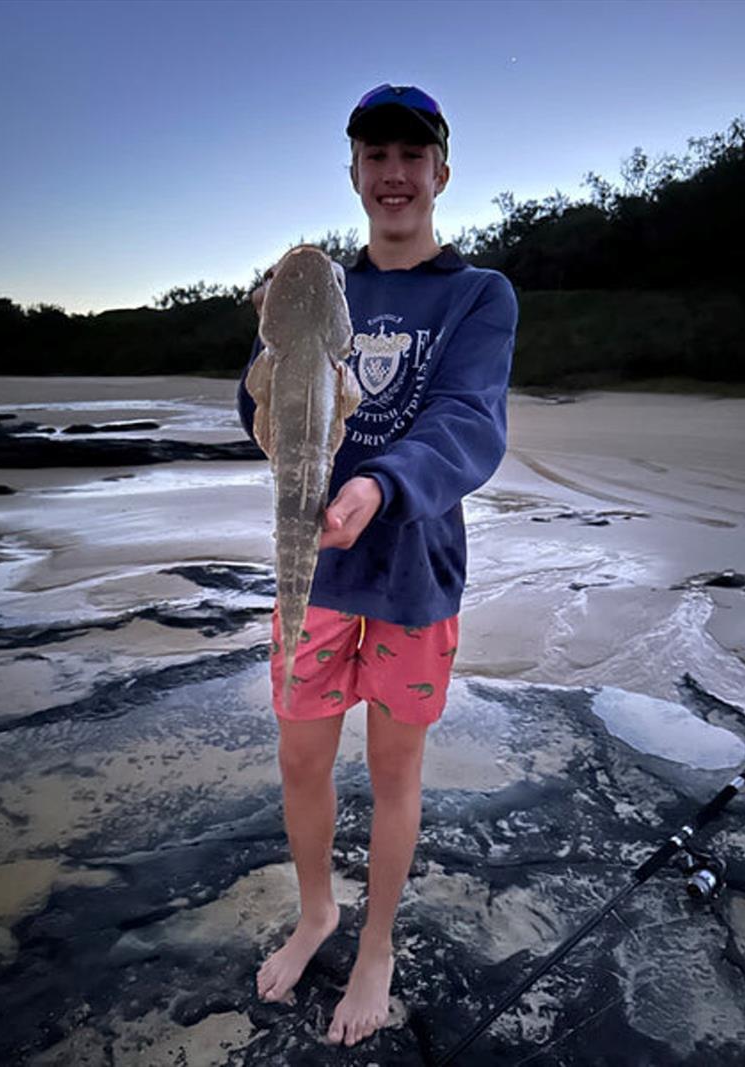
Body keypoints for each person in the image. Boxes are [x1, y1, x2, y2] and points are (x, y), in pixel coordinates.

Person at [237, 83, 518, 1048]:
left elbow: (469, 423)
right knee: (299, 753)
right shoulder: (319, 284)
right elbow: (264, 420)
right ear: (354, 172)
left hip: (412, 575)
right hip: (312, 569)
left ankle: (377, 942)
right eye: (375, 156)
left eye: (412, 155)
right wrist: (259, 364)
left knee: (395, 771)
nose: (393, 174)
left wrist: (381, 487)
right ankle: (317, 910)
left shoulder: (479, 294)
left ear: (441, 171)